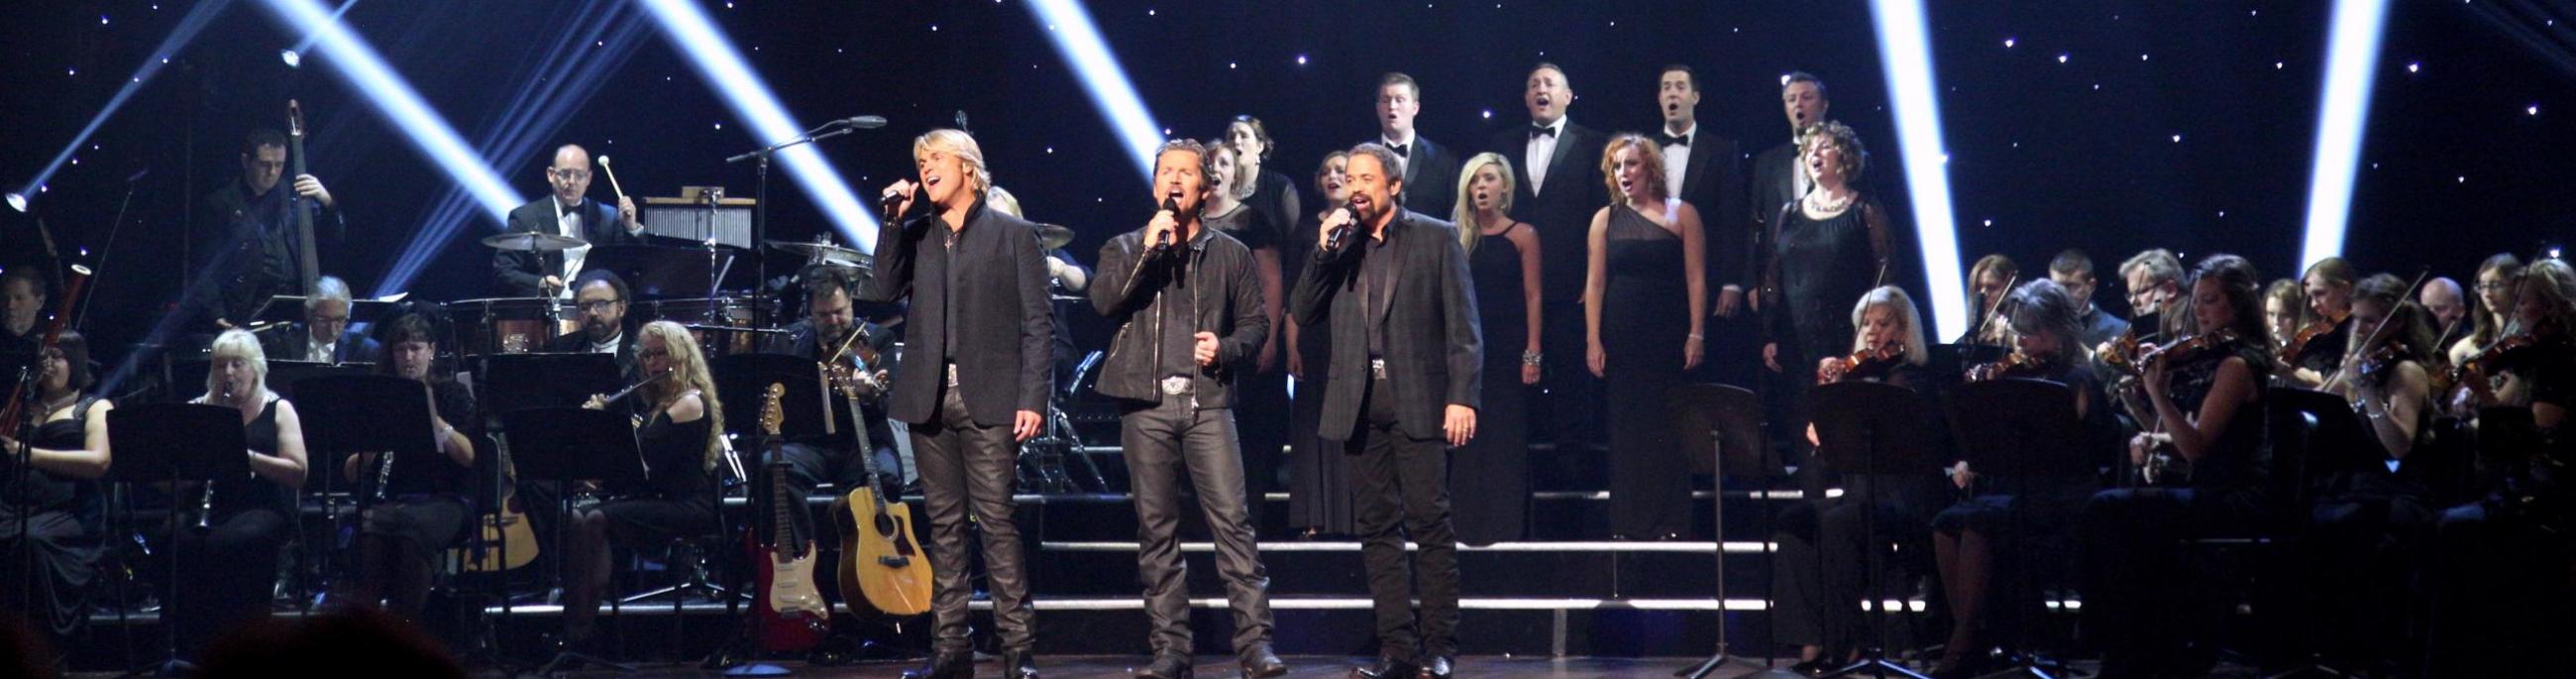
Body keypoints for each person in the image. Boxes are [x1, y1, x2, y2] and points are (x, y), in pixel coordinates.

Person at [1088, 139, 1288, 679]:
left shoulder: (1231, 254)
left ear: (1205, 187)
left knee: (1234, 525)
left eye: (1185, 172)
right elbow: (1105, 302)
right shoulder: (1125, 245)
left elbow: (1257, 325)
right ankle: (1171, 651)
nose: (1174, 180)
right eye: (1165, 172)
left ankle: (1255, 647)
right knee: (1157, 532)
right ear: (1155, 186)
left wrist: (1224, 348)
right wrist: (1145, 252)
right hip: (1145, 405)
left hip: (1208, 403)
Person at [1291, 144, 1479, 679]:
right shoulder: (1339, 241)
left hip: (1420, 398)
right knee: (1377, 530)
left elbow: (1465, 328)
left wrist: (1461, 395)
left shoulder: (1436, 237)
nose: (1355, 187)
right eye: (1350, 178)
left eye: (1366, 178)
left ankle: (1440, 647)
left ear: (1393, 185)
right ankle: (1397, 648)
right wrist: (1324, 251)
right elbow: (1303, 310)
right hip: (1357, 402)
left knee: (1430, 522)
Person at [870, 129, 1051, 679]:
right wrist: (891, 221)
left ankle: (1018, 653)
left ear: (968, 167)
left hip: (991, 398)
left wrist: (1033, 397)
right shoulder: (918, 234)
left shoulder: (1014, 235)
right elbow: (881, 290)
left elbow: (1038, 325)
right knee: (944, 529)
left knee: (996, 525)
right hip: (929, 397)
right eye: (919, 160)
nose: (925, 168)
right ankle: (951, 652)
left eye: (935, 159)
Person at [2080, 254, 2274, 678]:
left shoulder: (2238, 365)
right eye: (2198, 301)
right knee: (2125, 515)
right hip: (2211, 490)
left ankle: (2132, 652)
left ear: (2237, 305)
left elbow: (2197, 449)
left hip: (2238, 497)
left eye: (2210, 301)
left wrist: (2158, 392)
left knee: (2108, 510)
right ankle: (2143, 649)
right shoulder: (2214, 359)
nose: (2199, 311)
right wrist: (2143, 405)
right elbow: (2182, 438)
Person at [1929, 281, 2108, 677]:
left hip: (2065, 496)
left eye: (2034, 333)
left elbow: (2064, 453)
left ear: (2060, 330)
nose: (2024, 342)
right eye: (2021, 332)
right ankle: (1972, 634)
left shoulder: (2077, 378)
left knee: (1979, 525)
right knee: (1945, 525)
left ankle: (1961, 646)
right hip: (2017, 491)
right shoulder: (2014, 376)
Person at [1771, 285, 1937, 673]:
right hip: (1859, 497)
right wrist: (1828, 404)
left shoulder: (1911, 379)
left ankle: (1852, 644)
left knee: (1838, 522)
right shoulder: (1854, 376)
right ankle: (1812, 641)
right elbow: (1833, 456)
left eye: (1884, 323)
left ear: (1905, 329)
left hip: (1904, 501)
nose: (1874, 332)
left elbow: (1905, 447)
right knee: (1795, 521)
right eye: (1867, 324)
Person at [2299, 273, 2440, 669]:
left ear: (2395, 323)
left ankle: (2356, 651)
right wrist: (2349, 362)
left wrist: (2369, 391)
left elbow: (2398, 445)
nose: (2359, 328)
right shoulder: (2360, 363)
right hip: (2357, 485)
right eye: (2356, 319)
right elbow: (2323, 407)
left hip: (2398, 491)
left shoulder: (2405, 370)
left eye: (2369, 320)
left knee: (2339, 525)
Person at [559, 321, 721, 652]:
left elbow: (640, 463)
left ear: (682, 357)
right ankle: (576, 622)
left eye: (661, 354)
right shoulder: (657, 404)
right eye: (646, 355)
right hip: (657, 499)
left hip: (687, 506)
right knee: (575, 517)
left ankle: (581, 630)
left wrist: (602, 422)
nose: (652, 363)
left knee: (596, 519)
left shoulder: (688, 404)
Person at [1756, 120, 1909, 458]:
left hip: (1848, 336)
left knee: (1845, 426)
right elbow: (1774, 274)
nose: (1815, 154)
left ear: (1844, 157)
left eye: (1823, 147)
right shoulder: (1790, 212)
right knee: (1804, 425)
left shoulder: (1864, 209)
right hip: (1798, 338)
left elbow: (1886, 271)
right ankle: (1815, 505)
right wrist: (1769, 332)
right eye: (1810, 149)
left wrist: (1871, 331)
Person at [1585, 134, 1707, 540]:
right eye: (1617, 166)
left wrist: (1696, 332)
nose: (1624, 173)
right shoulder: (1605, 219)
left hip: (1668, 332)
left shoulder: (1683, 213)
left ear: (1650, 168)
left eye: (1631, 164)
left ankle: (1670, 520)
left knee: (1668, 424)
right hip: (1622, 333)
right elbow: (1596, 283)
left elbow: (1696, 278)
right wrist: (1593, 339)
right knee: (1627, 426)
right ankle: (1630, 521)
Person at [1489, 62, 1608, 467]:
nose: (1541, 89)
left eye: (1550, 83)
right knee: (1512, 378)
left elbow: (1602, 218)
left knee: (1572, 379)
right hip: (1513, 287)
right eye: (1534, 84)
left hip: (1570, 283)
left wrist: (1592, 280)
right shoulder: (1502, 144)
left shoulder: (1594, 145)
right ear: (1526, 98)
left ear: (1568, 95)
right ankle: (1516, 466)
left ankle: (1572, 468)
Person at [174, 329, 310, 658]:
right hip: (210, 505)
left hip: (261, 505)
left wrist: (246, 456)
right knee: (174, 539)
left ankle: (241, 644)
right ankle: (188, 647)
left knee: (233, 543)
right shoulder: (198, 408)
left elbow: (298, 472)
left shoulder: (278, 408)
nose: (229, 373)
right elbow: (172, 476)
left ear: (256, 368)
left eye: (238, 364)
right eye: (221, 365)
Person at [345, 312, 479, 624]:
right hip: (394, 499)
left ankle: (407, 630)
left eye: (416, 348)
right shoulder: (380, 399)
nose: (408, 357)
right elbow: (351, 472)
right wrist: (375, 438)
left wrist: (430, 413)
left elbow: (469, 456)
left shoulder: (452, 394)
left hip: (446, 499)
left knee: (411, 530)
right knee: (370, 533)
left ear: (431, 350)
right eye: (400, 350)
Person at [1450, 152, 1542, 544]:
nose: (1481, 187)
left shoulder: (1523, 235)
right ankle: (1468, 524)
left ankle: (1506, 525)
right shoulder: (1455, 236)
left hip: (1507, 349)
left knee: (1504, 435)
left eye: (1488, 179)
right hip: (1466, 349)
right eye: (1475, 180)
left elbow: (1533, 296)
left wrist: (1532, 352)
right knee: (1467, 436)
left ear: (1504, 186)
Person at [0, 331, 112, 651]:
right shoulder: (21, 407)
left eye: (57, 357)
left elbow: (98, 461)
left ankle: (43, 647)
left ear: (75, 362)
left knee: (31, 540)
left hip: (71, 511)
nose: (48, 364)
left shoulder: (94, 406)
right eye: (43, 357)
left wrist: (28, 454)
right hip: (16, 503)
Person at [1201, 139, 1288, 506]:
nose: (1216, 169)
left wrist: (1268, 337)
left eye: (1223, 162)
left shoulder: (1254, 220)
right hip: (1202, 336)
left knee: (1251, 429)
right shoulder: (1186, 222)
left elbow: (1271, 279)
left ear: (1235, 171)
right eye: (1209, 163)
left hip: (1246, 332)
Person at [190, 129, 347, 332]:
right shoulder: (222, 204)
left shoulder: (293, 197)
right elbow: (205, 268)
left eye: (279, 165)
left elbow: (331, 242)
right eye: (265, 164)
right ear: (246, 161)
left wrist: (328, 202)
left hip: (291, 314)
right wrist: (217, 315)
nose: (272, 172)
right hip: (244, 313)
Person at [1655, 64, 1750, 384]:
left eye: (1680, 86)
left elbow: (1732, 218)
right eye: (1666, 87)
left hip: (1707, 274)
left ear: (1695, 96)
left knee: (1706, 370)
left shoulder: (1721, 150)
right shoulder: (1644, 150)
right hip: (1656, 276)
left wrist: (1732, 281)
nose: (1672, 93)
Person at [1285, 152, 1354, 538]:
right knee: (1311, 424)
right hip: (1313, 335)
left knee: (1348, 422)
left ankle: (1349, 515)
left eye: (1340, 171)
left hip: (1352, 337)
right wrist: (1292, 346)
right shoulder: (1304, 231)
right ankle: (1313, 515)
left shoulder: (1367, 227)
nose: (1333, 177)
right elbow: (1295, 294)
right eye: (1326, 171)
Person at [493, 144, 643, 298]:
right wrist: (539, 284)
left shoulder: (608, 216)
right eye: (565, 174)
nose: (572, 181)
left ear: (589, 178)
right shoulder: (525, 217)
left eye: (579, 175)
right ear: (551, 174)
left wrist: (631, 226)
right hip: (544, 314)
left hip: (595, 312)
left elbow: (632, 268)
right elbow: (504, 272)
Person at [1749, 72, 1830, 273]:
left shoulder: (1844, 155)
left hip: (1831, 268)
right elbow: (1755, 222)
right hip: (1782, 275)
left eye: (1806, 97)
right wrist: (1751, 281)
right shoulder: (1767, 162)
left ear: (1824, 105)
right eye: (1791, 99)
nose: (1798, 104)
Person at [1373, 72, 1461, 219]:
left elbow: (1454, 216)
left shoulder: (1443, 159)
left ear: (1415, 108)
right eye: (1385, 100)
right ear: (1378, 108)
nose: (1392, 106)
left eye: (1400, 100)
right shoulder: (1361, 157)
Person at [264, 275, 380, 364]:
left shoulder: (366, 350)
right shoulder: (281, 344)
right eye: (323, 320)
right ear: (308, 313)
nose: (332, 330)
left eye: (340, 320)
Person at [547, 269, 639, 380]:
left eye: (601, 304)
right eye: (584, 307)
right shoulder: (561, 349)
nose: (592, 313)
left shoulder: (640, 351)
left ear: (621, 308)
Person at [2282, 257, 2358, 389]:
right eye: (2310, 297)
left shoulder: (2355, 332)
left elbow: (2332, 384)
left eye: (2320, 294)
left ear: (2346, 288)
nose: (2313, 304)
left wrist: (2285, 370)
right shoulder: (2321, 333)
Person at [2446, 254, 2522, 368]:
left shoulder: (2526, 338)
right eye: (2482, 286)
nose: (2487, 294)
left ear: (2516, 286)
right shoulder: (2462, 350)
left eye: (2496, 285)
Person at [2049, 249, 2130, 348]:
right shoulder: (2044, 328)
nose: (2062, 294)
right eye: (2057, 287)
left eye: (2070, 286)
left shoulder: (2118, 330)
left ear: (2091, 285)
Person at [1964, 254, 2020, 346]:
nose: (1983, 294)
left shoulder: (2024, 328)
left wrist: (2010, 342)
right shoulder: (1975, 336)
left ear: (2010, 289)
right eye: (1978, 288)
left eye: (1991, 287)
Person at [2419, 276, 2469, 351]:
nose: (2431, 315)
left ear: (2460, 310)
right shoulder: (2416, 342)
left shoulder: (2470, 346)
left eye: (2439, 308)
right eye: (2426, 309)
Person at [2263, 279, 2309, 355]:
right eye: (2271, 314)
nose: (2276, 322)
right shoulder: (2262, 347)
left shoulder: (2310, 348)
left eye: (2284, 315)